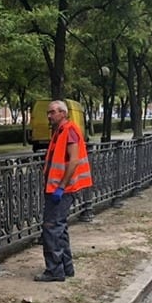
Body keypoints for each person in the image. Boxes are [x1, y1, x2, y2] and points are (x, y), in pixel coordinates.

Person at [36, 100, 92, 282]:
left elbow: (74, 160)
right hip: (58, 188)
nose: (49, 116)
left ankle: (54, 271)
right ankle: (66, 268)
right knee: (59, 228)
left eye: (52, 112)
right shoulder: (61, 131)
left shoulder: (69, 130)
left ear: (63, 113)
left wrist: (60, 187)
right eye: (48, 112)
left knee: (51, 229)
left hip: (61, 189)